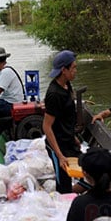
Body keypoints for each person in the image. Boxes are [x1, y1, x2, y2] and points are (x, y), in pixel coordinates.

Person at [42, 50, 80, 194]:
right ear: (64, 70)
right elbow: (46, 126)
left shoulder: (67, 85)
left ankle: (73, 192)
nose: (76, 71)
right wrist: (59, 156)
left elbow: (64, 118)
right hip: (59, 146)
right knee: (63, 185)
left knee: (88, 172)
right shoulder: (55, 94)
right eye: (74, 68)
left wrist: (73, 136)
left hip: (68, 140)